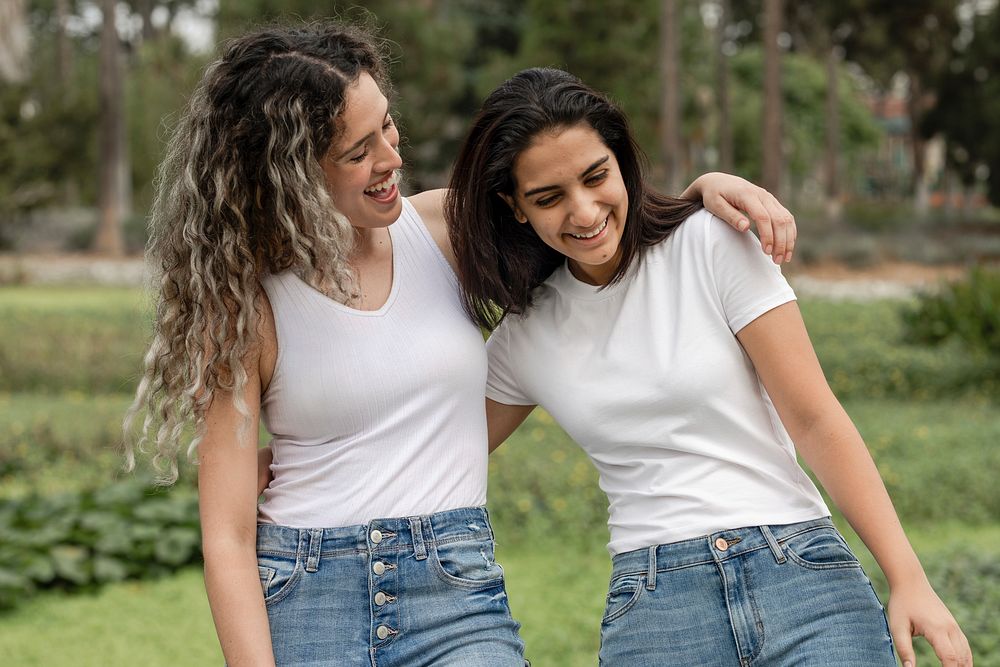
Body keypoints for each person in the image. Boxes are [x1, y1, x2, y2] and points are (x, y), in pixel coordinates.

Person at [123, 21, 798, 667]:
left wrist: (697, 199)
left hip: (456, 584)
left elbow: (593, 229)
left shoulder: (444, 231)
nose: (391, 159)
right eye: (357, 153)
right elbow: (229, 536)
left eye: (385, 125)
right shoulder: (246, 304)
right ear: (290, 172)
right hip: (308, 589)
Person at [446, 67, 972, 667]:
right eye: (548, 197)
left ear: (622, 163)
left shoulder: (711, 244)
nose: (585, 210)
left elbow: (815, 419)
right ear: (514, 207)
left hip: (800, 574)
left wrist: (908, 579)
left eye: (597, 177)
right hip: (657, 608)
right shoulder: (526, 335)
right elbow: (429, 454)